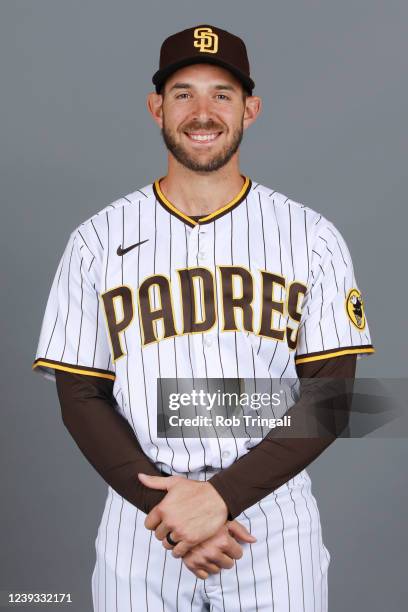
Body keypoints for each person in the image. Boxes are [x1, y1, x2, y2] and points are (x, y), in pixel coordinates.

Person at [32, 24, 375, 612]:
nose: (202, 111)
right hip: (143, 521)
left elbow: (333, 395)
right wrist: (170, 514)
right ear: (155, 106)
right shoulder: (96, 239)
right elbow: (81, 395)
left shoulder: (310, 237)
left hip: (272, 522)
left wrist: (221, 499)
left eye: (222, 94)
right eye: (183, 92)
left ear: (251, 108)